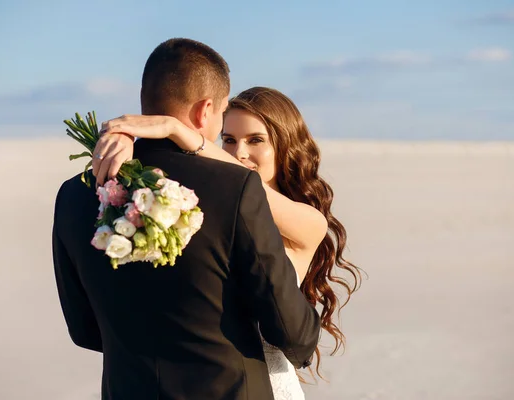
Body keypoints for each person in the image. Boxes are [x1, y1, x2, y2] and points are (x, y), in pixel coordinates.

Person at [52, 38, 321, 400]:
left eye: (255, 140)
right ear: (206, 110)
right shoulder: (233, 191)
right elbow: (293, 333)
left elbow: (85, 330)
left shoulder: (76, 195)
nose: (239, 152)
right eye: (226, 132)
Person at [93, 86, 362, 399]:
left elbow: (247, 190)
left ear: (285, 147)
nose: (240, 153)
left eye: (255, 140)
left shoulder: (308, 221)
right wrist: (126, 140)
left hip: (271, 388)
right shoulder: (210, 210)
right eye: (229, 140)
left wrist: (178, 130)